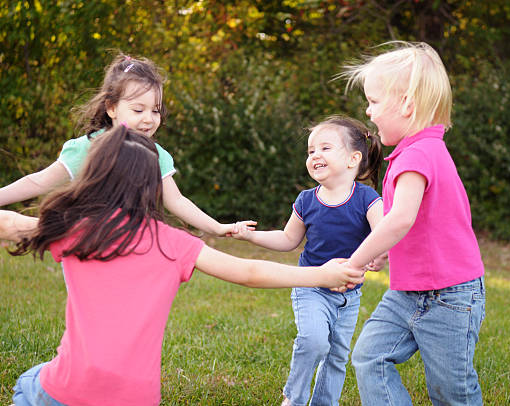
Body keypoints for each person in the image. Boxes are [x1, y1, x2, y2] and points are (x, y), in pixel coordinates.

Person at [2, 125, 365, 406]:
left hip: (68, 388)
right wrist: (322, 274)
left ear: (93, 176)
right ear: (152, 188)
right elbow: (249, 272)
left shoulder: (75, 230)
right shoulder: (171, 243)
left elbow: (9, 224)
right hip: (137, 398)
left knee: (29, 384)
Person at [341, 41, 486, 406]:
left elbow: (399, 220)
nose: (368, 111)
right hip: (407, 293)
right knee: (369, 356)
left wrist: (354, 262)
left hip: (449, 297)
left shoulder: (419, 155)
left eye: (374, 101)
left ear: (407, 104)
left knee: (452, 392)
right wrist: (387, 251)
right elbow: (415, 222)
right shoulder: (413, 152)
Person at [0, 52, 252, 237]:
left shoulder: (155, 155)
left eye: (155, 111)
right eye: (138, 109)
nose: (149, 119)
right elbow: (39, 181)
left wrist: (217, 227)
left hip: (131, 243)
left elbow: (176, 201)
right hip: (87, 243)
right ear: (111, 107)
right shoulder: (88, 148)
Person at [233, 115, 386, 406]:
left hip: (349, 296)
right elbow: (288, 240)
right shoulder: (307, 200)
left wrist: (379, 253)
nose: (315, 154)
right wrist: (251, 237)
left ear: (354, 159)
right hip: (311, 287)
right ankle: (295, 398)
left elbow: (383, 232)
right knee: (314, 342)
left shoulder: (367, 198)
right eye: (310, 150)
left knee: (338, 356)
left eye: (325, 148)